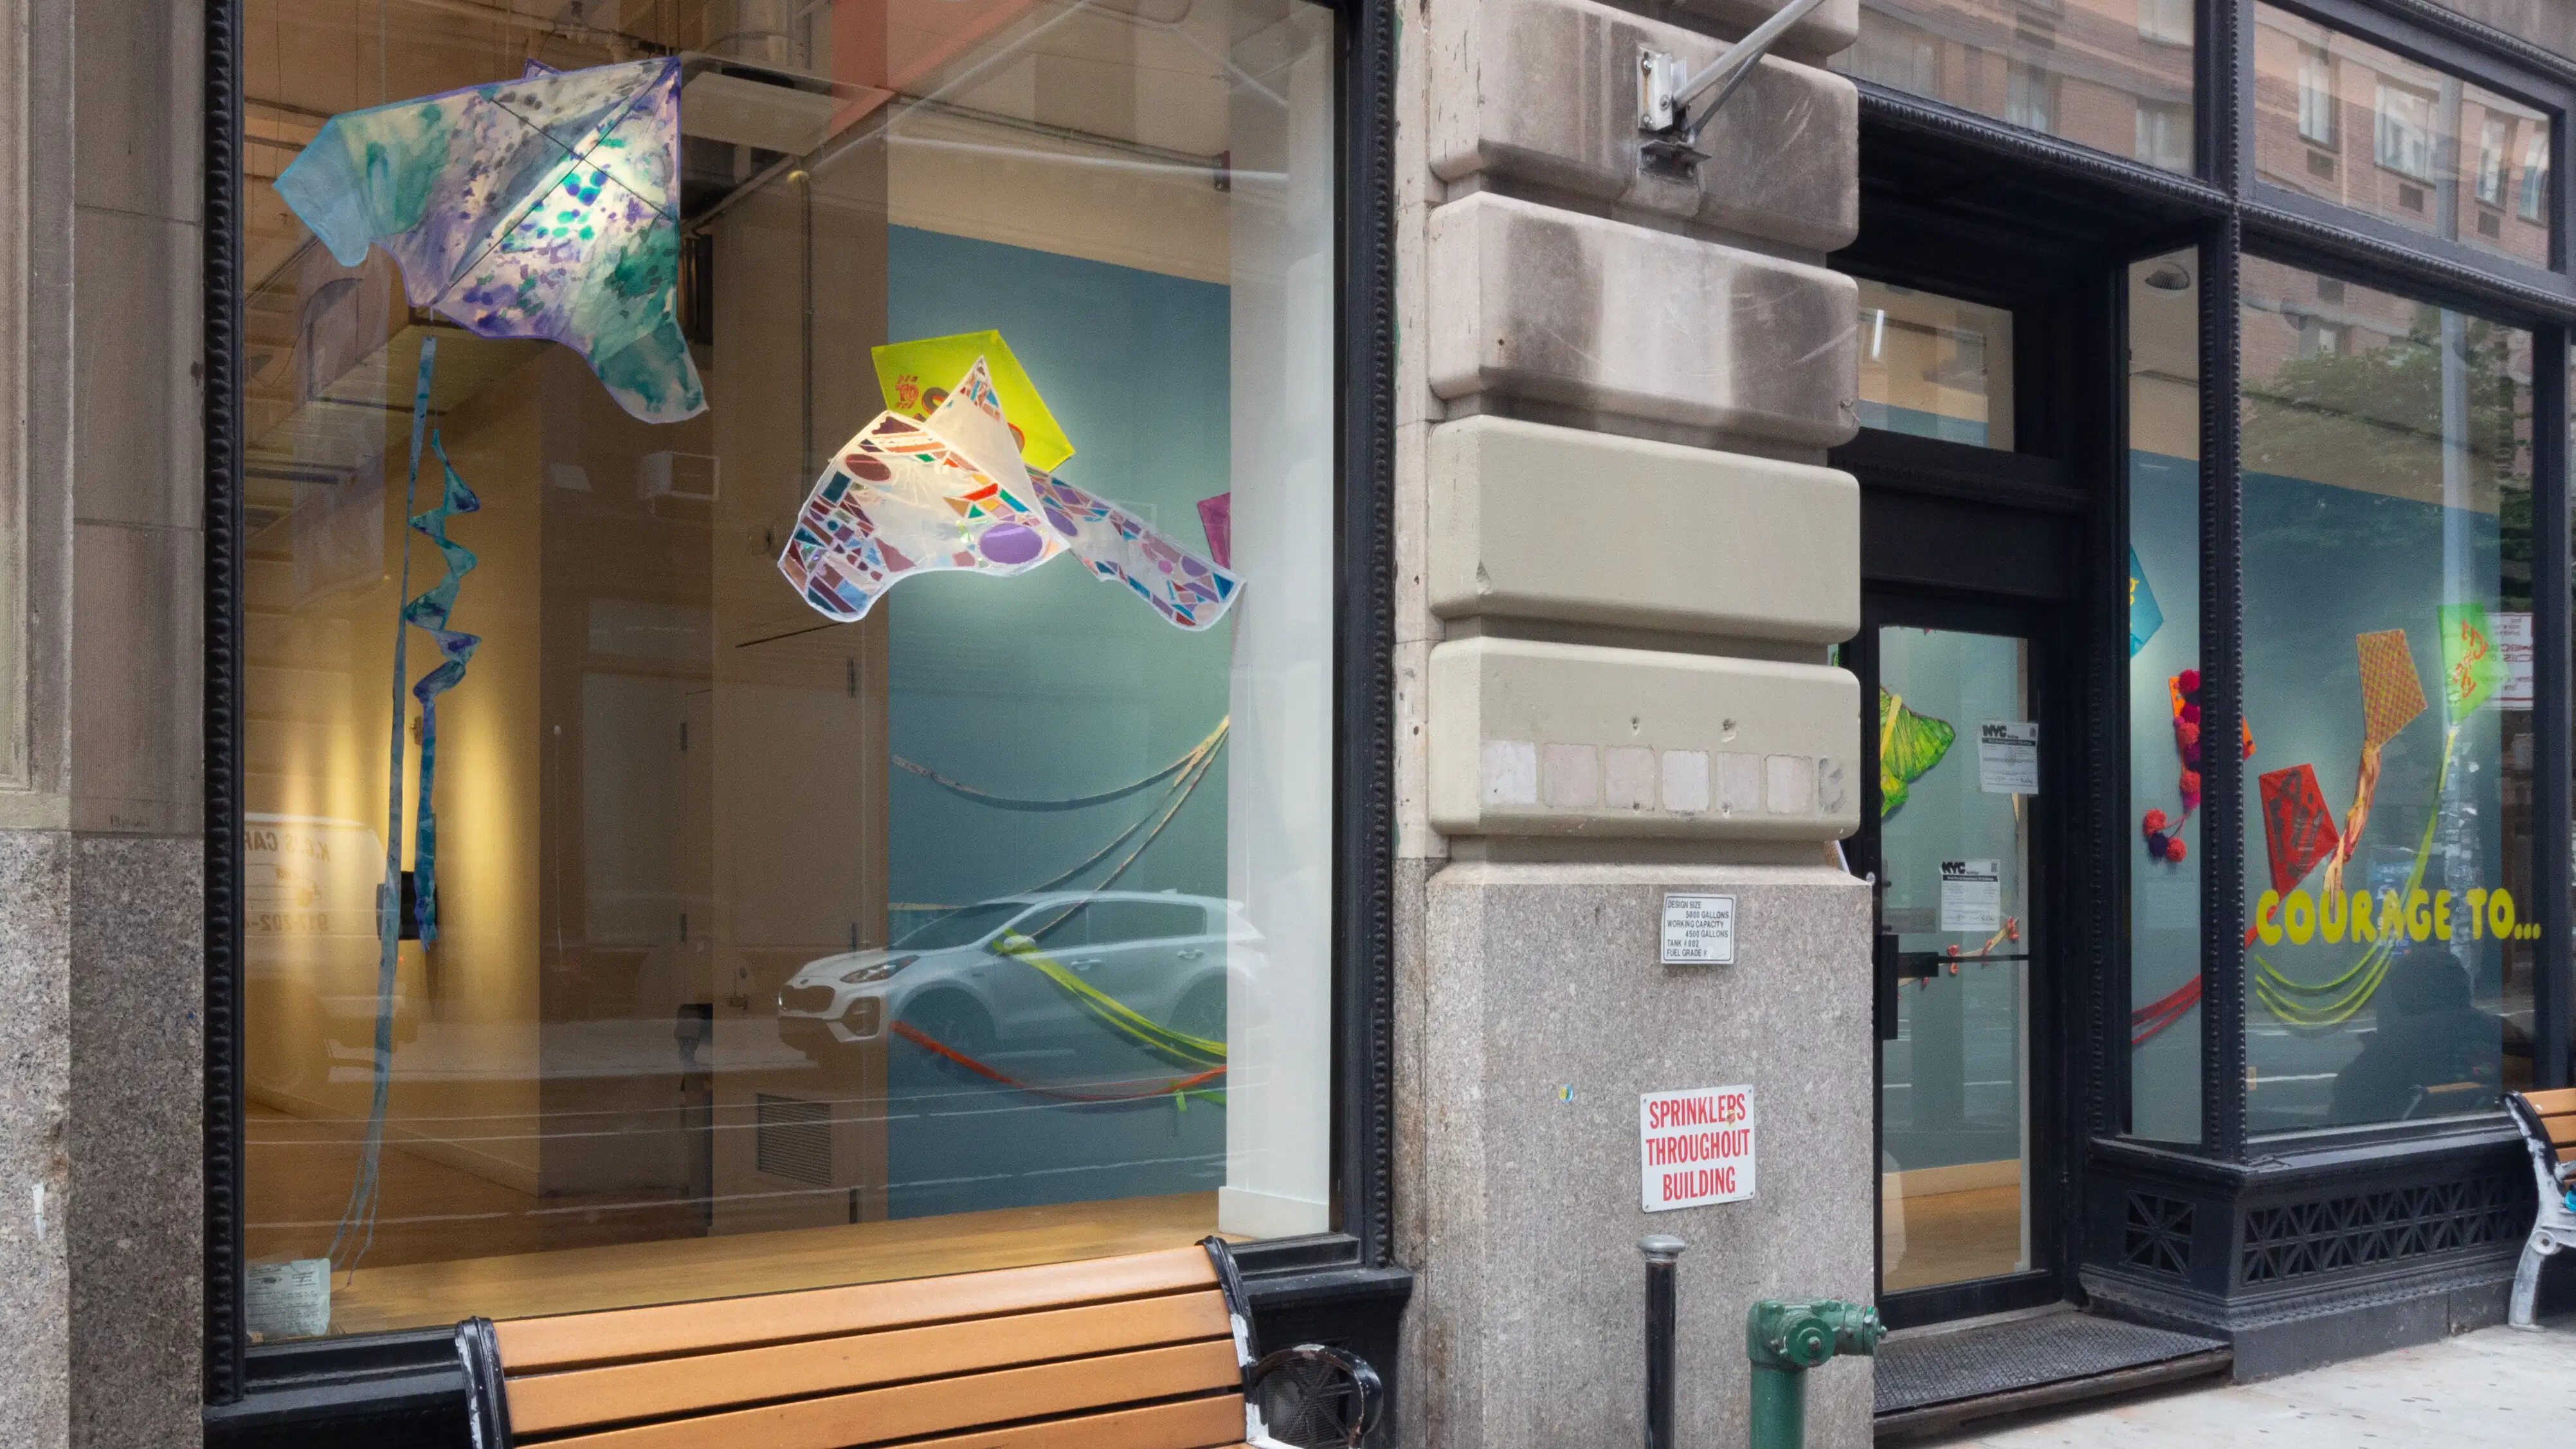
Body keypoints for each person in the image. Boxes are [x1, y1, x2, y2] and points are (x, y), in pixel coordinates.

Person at [2328, 943, 2501, 1125]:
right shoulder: (2500, 1029)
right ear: (2462, 984)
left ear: (2406, 992)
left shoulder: (2403, 1038)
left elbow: (2347, 1090)